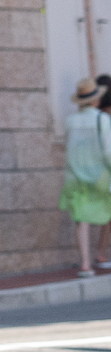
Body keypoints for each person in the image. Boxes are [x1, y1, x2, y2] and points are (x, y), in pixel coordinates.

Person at [62, 76, 111, 276]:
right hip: (100, 175)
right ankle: (101, 252)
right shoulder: (102, 119)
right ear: (96, 100)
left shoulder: (70, 121)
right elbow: (108, 151)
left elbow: (69, 149)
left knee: (81, 219)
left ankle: (85, 264)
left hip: (76, 176)